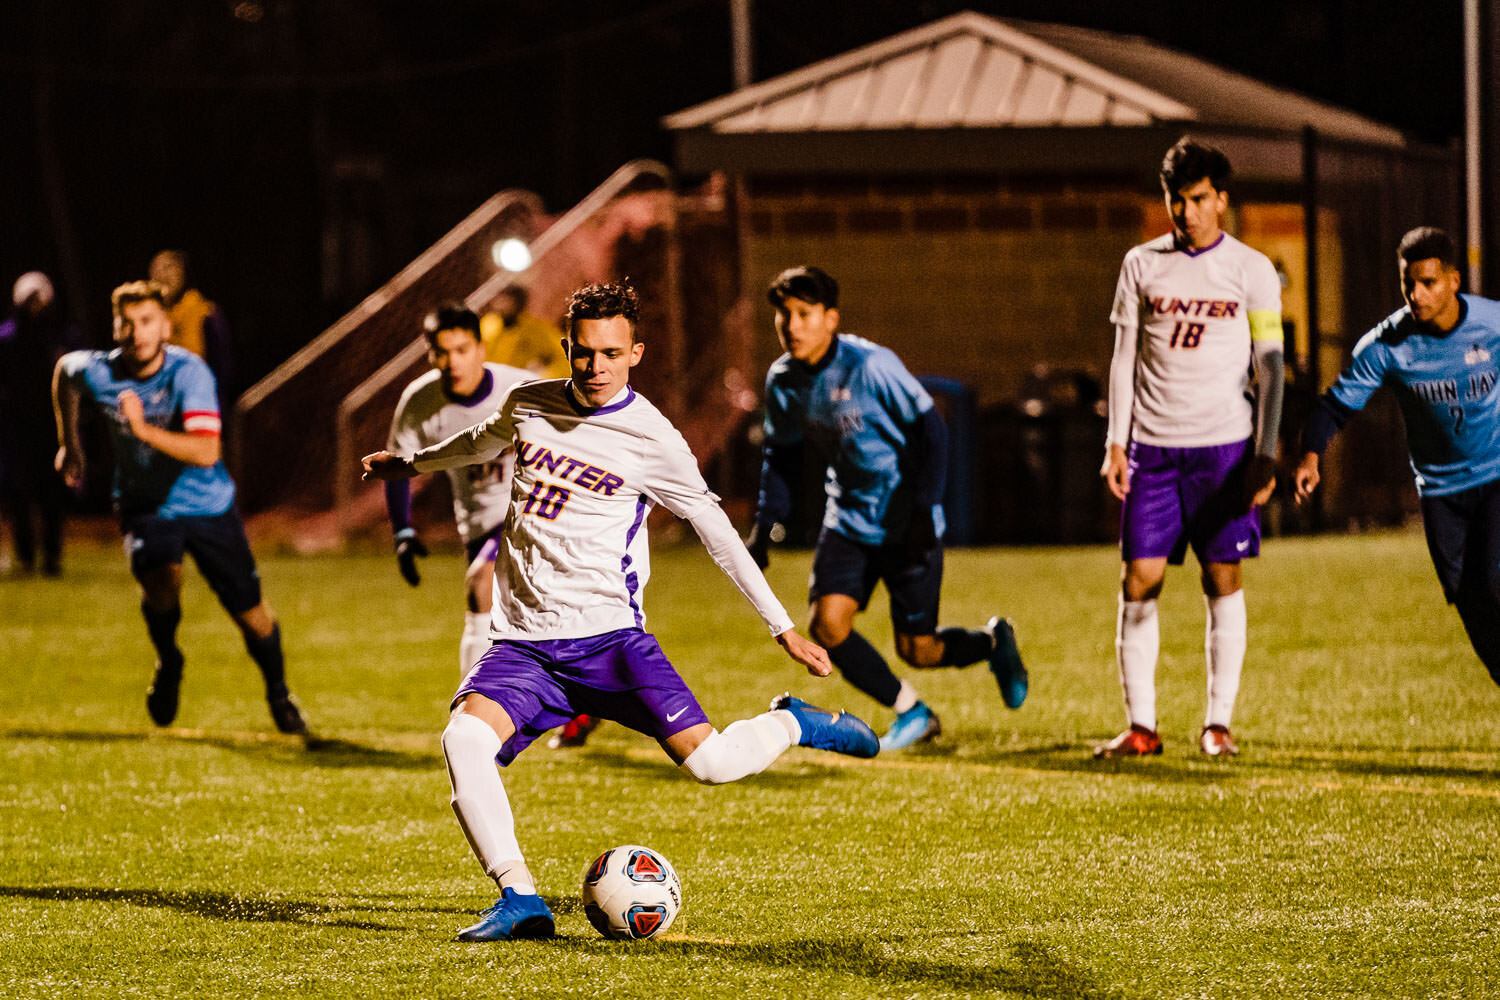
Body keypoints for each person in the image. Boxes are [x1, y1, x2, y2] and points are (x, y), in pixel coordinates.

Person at [362, 280, 879, 942]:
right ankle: (520, 898)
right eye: (583, 353)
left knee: (712, 765)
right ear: (567, 349)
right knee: (463, 740)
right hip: (524, 647)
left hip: (610, 644)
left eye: (611, 353)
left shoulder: (652, 438)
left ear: (636, 352)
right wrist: (412, 465)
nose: (596, 367)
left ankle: (791, 724)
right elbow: (476, 444)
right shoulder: (529, 405)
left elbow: (715, 531)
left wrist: (780, 626)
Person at [747, 265, 1027, 752]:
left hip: (905, 519)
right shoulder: (784, 380)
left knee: (919, 649)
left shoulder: (871, 365)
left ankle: (993, 643)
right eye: (783, 314)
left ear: (830, 319)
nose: (792, 325)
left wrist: (922, 507)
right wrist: (766, 522)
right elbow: (782, 455)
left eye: (804, 314)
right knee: (827, 625)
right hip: (848, 517)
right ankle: (912, 711)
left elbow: (932, 431)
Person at [1096, 137, 1285, 759]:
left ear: (1222, 200)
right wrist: (1115, 443)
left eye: (1199, 199)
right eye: (1177, 200)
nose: (1186, 212)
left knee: (1221, 576)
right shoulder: (1141, 264)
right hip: (1152, 448)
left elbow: (1273, 366)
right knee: (1139, 580)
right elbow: (1124, 358)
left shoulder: (1250, 269)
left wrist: (1265, 451)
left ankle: (1217, 724)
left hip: (1224, 449)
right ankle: (1143, 727)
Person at [52, 281, 306, 735]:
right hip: (145, 506)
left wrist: (143, 430)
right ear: (114, 327)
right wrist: (70, 446)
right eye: (126, 323)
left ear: (166, 327)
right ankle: (169, 660)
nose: (136, 333)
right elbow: (64, 375)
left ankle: (279, 692)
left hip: (209, 507)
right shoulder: (96, 370)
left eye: (147, 321)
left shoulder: (191, 373)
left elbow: (207, 451)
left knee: (253, 617)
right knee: (162, 586)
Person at [1295, 226, 1500, 687]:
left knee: (1493, 586)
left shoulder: (1493, 324)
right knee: (1469, 601)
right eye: (1408, 283)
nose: (1416, 295)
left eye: (1428, 283)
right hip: (1441, 492)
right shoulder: (1387, 345)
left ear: (1453, 281)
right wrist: (1311, 455)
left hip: (1496, 476)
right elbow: (1335, 405)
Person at [383, 301, 531, 676]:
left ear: (481, 349)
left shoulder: (521, 391)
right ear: (429, 353)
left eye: (462, 351)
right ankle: (580, 706)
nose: (453, 363)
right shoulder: (420, 402)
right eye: (442, 352)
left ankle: (468, 717)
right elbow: (399, 467)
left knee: (480, 586)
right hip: (478, 528)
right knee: (524, 626)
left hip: (533, 515)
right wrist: (403, 530)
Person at [0, 271, 79, 575]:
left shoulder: (60, 337)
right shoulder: (7, 338)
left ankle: (52, 555)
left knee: (52, 492)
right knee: (19, 493)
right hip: (16, 429)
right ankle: (25, 556)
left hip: (52, 426)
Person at [148, 250, 232, 399]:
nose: (163, 275)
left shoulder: (206, 314)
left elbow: (222, 367)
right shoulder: (147, 320)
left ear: (183, 273)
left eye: (169, 267)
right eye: (157, 269)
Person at [480, 284, 568, 378]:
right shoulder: (488, 324)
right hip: (491, 383)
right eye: (500, 301)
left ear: (519, 305)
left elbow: (563, 354)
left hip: (516, 385)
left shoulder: (535, 330)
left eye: (508, 302)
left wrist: (544, 377)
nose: (501, 306)